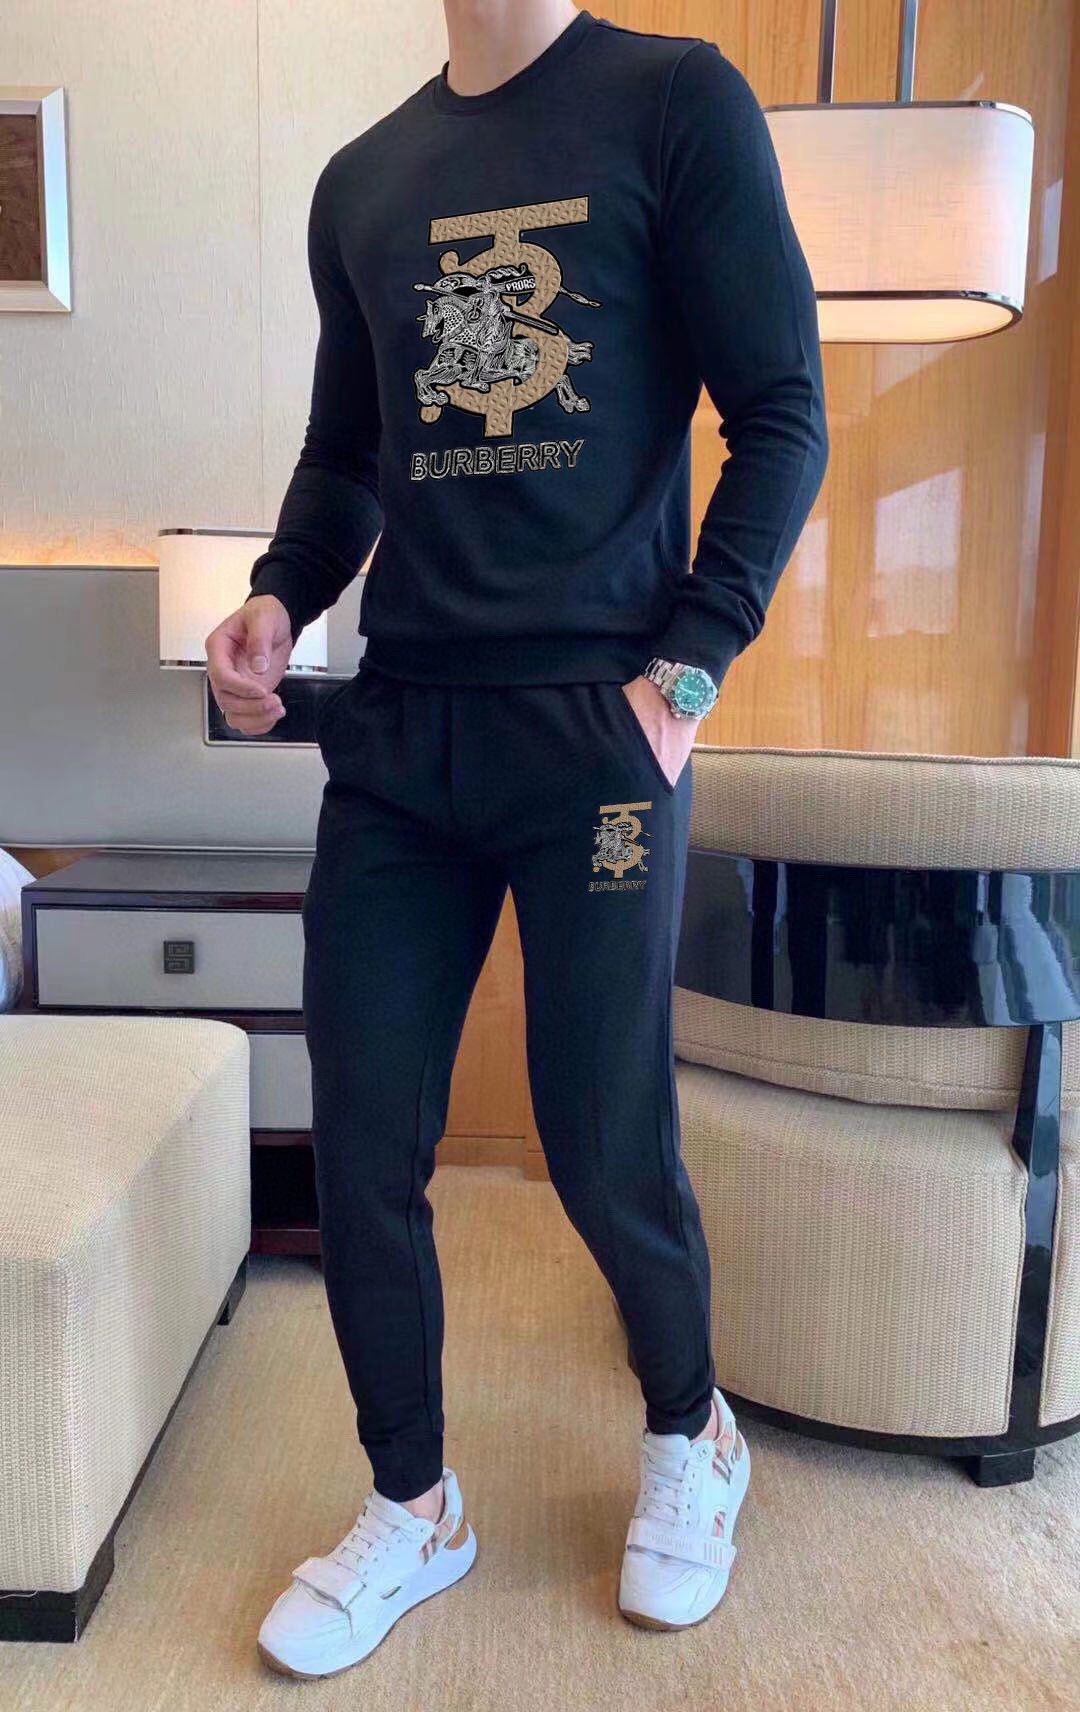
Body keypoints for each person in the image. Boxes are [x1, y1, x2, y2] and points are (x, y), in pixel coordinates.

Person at [205, 0, 828, 1678]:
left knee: (599, 1135)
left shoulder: (677, 101)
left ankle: (692, 1431)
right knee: (363, 1138)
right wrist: (279, 597)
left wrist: (686, 677)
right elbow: (348, 458)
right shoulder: (362, 179)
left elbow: (782, 410)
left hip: (598, 737)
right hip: (403, 736)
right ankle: (412, 1504)